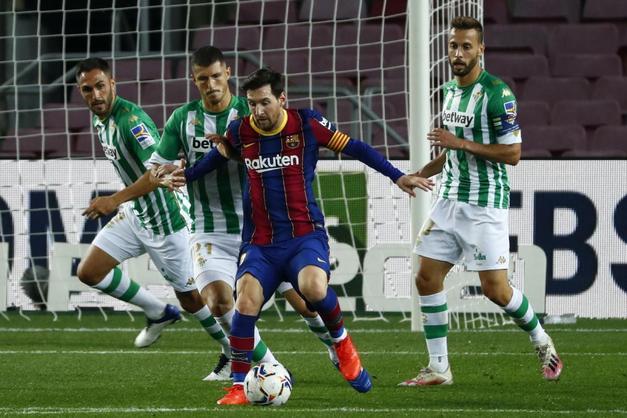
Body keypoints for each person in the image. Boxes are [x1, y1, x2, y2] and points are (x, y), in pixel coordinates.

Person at [161, 67, 434, 405]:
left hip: (303, 235)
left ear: (282, 99)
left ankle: (342, 343)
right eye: (252, 104)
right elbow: (214, 161)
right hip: (260, 242)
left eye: (265, 102)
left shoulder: (306, 124)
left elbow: (356, 147)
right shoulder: (240, 131)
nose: (258, 111)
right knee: (245, 302)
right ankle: (239, 385)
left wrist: (396, 176)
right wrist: (184, 176)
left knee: (313, 289)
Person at [107, 47, 339, 381]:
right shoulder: (182, 119)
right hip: (209, 227)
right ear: (194, 80)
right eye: (203, 79)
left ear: (227, 73)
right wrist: (165, 175)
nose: (211, 84)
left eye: (216, 76)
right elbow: (156, 168)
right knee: (217, 301)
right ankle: (270, 367)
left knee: (304, 301)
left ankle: (334, 345)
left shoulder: (252, 111)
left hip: (264, 227)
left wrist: (234, 154)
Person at [398, 17, 563, 387]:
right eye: (453, 46)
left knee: (495, 290)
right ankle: (439, 368)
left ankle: (541, 338)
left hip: (485, 205)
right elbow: (453, 151)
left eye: (466, 46)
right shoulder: (449, 92)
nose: (458, 53)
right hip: (449, 200)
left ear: (481, 49)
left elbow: (513, 154)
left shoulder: (497, 94)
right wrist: (421, 172)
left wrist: (459, 143)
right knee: (426, 277)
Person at [74, 58, 231, 362]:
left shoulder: (132, 123)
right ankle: (158, 311)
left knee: (192, 299)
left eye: (100, 86)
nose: (96, 95)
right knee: (89, 272)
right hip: (136, 215)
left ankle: (232, 351)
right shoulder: (100, 119)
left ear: (113, 84)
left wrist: (114, 199)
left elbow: (157, 171)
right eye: (87, 89)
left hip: (167, 220)